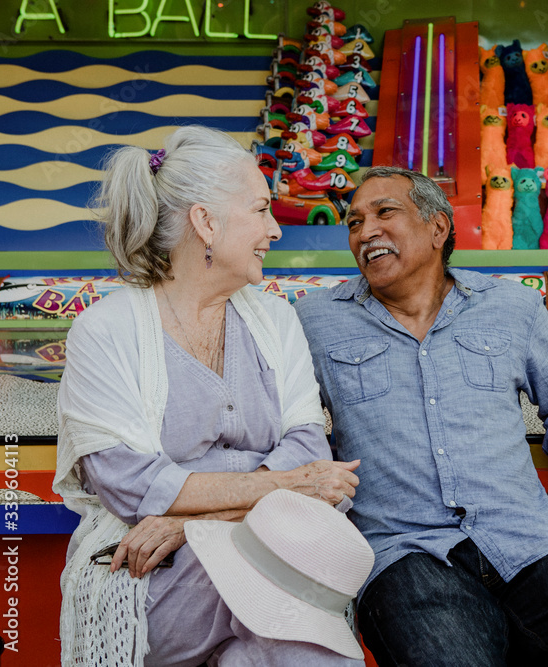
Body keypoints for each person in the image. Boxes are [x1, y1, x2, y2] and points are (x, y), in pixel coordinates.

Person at [295, 166, 548, 666]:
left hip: (527, 537)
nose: (366, 232)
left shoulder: (511, 305)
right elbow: (279, 423)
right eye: (355, 223)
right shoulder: (315, 320)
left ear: (438, 227)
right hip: (405, 550)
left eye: (385, 213)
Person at [54, 126, 363, 667]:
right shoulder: (105, 330)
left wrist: (198, 524)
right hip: (151, 572)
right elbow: (130, 486)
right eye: (262, 209)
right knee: (296, 635)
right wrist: (287, 486)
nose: (275, 230)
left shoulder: (274, 319)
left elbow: (309, 446)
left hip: (249, 548)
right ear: (206, 222)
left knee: (279, 638)